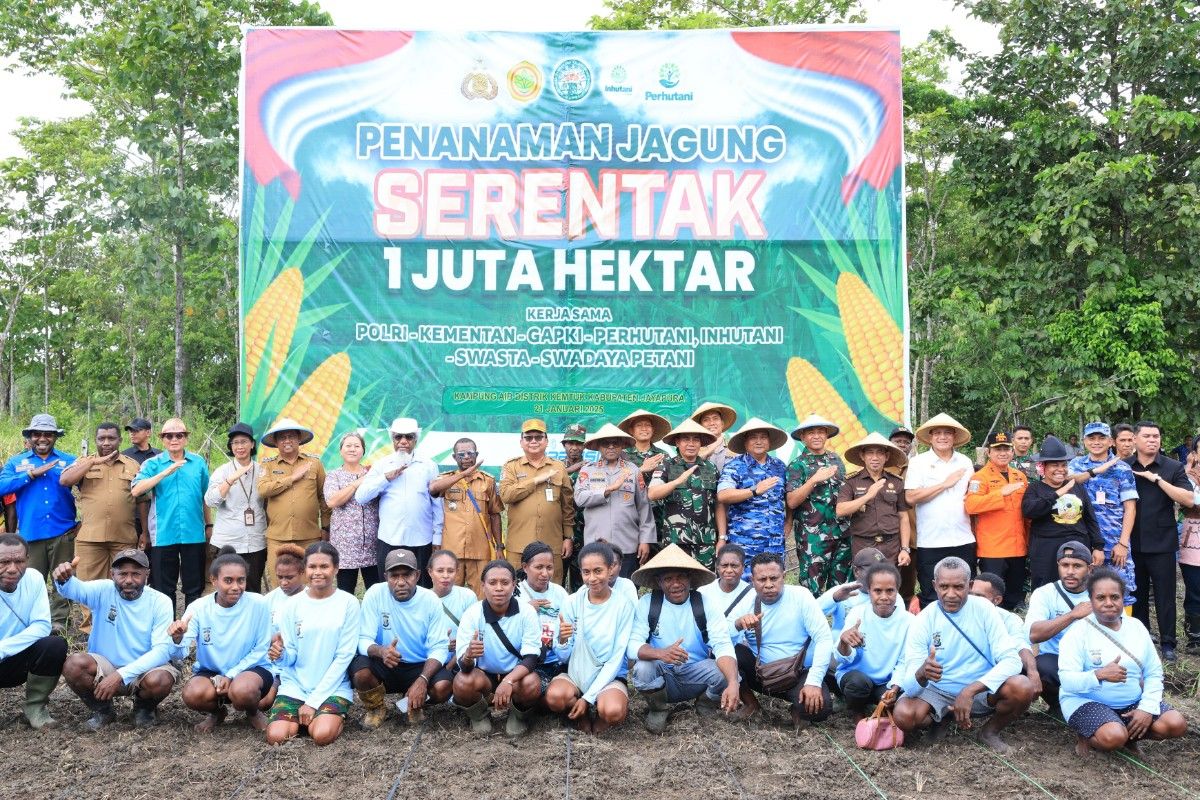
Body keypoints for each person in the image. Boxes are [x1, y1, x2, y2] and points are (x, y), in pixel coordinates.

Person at [892, 556, 1033, 753]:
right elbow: (909, 685)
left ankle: (989, 732)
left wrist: (970, 691)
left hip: (981, 691)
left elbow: (1011, 661)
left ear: (970, 584)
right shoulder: (923, 619)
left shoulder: (985, 610)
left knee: (1022, 687)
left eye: (958, 587)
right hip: (938, 691)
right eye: (944, 587)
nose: (951, 594)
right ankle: (940, 718)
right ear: (934, 585)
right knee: (903, 715)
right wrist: (921, 673)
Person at [1058, 567, 1187, 757]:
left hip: (1131, 701)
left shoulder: (1136, 627)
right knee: (1113, 737)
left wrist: (1146, 708)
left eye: (1115, 597)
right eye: (1101, 598)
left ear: (1122, 598)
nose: (1108, 603)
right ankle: (1088, 735)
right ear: (1091, 600)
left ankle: (1128, 734)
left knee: (1175, 724)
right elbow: (1067, 681)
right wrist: (1099, 674)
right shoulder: (1077, 633)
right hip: (1086, 701)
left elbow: (1154, 672)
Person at [53, 549, 178, 729]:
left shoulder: (161, 601)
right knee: (74, 665)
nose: (128, 580)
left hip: (145, 669)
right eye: (122, 574)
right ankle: (102, 710)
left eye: (136, 574)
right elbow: (75, 589)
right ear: (113, 575)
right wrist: (64, 578)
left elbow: (161, 651)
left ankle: (144, 708)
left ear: (147, 575)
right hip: (106, 666)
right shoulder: (103, 590)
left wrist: (121, 675)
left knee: (161, 679)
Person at [626, 544, 740, 731]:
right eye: (668, 579)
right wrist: (661, 653)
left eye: (680, 577)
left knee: (727, 672)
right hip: (663, 674)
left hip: (696, 671)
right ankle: (658, 708)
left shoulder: (705, 604)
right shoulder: (648, 603)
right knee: (643, 667)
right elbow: (632, 645)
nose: (676, 584)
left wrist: (733, 682)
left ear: (689, 578)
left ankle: (705, 703)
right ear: (659, 582)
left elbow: (722, 644)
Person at [169, 546, 274, 732]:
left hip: (252, 670)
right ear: (214, 580)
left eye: (241, 580)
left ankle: (252, 712)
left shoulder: (259, 604)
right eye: (228, 580)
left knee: (243, 691)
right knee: (193, 694)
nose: (236, 587)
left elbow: (261, 648)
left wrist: (231, 675)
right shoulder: (198, 607)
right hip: (212, 672)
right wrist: (177, 639)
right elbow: (181, 650)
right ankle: (217, 713)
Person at [265, 542, 359, 746]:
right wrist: (280, 654)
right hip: (295, 686)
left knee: (322, 735)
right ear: (305, 569)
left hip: (332, 687)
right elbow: (291, 655)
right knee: (276, 736)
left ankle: (325, 717)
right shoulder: (291, 606)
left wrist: (313, 702)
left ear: (336, 569)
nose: (318, 572)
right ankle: (307, 717)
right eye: (312, 567)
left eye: (324, 567)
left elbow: (345, 655)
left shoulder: (348, 603)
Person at [350, 549, 452, 729]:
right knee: (360, 672)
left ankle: (411, 702)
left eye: (407, 575)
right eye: (394, 576)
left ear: (418, 575)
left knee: (443, 686)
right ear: (385, 576)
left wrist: (422, 680)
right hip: (385, 663)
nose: (401, 582)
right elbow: (363, 638)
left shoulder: (430, 600)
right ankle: (376, 708)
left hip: (418, 666)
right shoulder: (375, 593)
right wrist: (381, 651)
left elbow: (439, 647)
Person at [731, 551, 833, 729]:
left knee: (820, 708)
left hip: (798, 673)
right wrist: (738, 625)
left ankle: (797, 707)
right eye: (762, 580)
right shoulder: (745, 602)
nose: (769, 585)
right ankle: (751, 703)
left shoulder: (801, 597)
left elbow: (824, 638)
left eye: (774, 578)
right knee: (729, 653)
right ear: (752, 580)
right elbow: (721, 638)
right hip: (762, 674)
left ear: (784, 576)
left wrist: (814, 682)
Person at [59, 422, 143, 632]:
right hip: (90, 537)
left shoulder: (132, 465)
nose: (106, 443)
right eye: (101, 439)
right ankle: (92, 630)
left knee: (124, 582)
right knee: (88, 585)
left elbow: (143, 500)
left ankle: (118, 627)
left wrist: (146, 534)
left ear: (119, 441)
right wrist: (91, 462)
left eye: (111, 438)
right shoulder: (83, 462)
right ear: (96, 440)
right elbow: (65, 480)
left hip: (124, 536)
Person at [1124, 420, 1195, 662]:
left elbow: (1188, 498)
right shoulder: (1124, 467)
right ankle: (1141, 640)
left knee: (1166, 595)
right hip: (1131, 542)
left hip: (1162, 541)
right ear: (1134, 440)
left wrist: (1157, 480)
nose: (1153, 440)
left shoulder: (1172, 467)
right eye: (1147, 436)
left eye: (1156, 436)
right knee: (1137, 595)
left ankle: (1168, 643)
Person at [547, 542, 636, 734]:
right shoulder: (572, 602)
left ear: (611, 568)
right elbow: (563, 657)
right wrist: (562, 640)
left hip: (609, 675)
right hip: (576, 672)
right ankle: (581, 714)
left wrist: (588, 698)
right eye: (586, 572)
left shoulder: (623, 605)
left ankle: (597, 711)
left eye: (598, 571)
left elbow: (616, 657)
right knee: (554, 697)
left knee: (612, 711)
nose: (592, 578)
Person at [0, 414, 77, 632]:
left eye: (48, 434)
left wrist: (84, 522)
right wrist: (31, 474)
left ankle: (59, 623)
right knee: (30, 580)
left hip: (62, 530)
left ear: (55, 437)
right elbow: (2, 486)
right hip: (30, 534)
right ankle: (31, 621)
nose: (42, 438)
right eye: (37, 434)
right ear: (30, 437)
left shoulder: (69, 460)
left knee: (63, 578)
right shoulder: (17, 463)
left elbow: (88, 491)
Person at [452, 560, 544, 737]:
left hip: (516, 676)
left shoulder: (527, 612)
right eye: (492, 583)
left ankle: (518, 715)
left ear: (514, 585)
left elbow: (531, 657)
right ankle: (479, 716)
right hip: (484, 676)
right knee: (462, 682)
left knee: (532, 683)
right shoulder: (472, 614)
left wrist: (508, 681)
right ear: (483, 586)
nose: (499, 588)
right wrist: (469, 656)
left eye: (505, 582)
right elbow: (465, 667)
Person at [131, 417, 210, 612]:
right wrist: (165, 472)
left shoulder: (198, 463)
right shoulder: (153, 464)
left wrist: (209, 525)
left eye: (179, 435)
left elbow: (205, 497)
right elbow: (136, 490)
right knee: (164, 587)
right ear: (162, 439)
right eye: (169, 436)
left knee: (194, 585)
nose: (174, 439)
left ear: (186, 438)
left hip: (193, 532)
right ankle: (167, 628)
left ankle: (191, 627)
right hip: (164, 534)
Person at [904, 413, 975, 608]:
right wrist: (944, 484)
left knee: (964, 591)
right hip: (931, 540)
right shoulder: (919, 462)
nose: (942, 437)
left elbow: (973, 493)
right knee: (931, 593)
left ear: (954, 437)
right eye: (937, 433)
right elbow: (910, 497)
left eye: (947, 433)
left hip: (963, 538)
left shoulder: (965, 462)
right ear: (931, 437)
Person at [0, 533, 67, 728]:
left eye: (19, 561)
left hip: (15, 660)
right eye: (4, 562)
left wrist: (3, 648)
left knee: (54, 645)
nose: (12, 569)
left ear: (28, 560)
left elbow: (41, 626)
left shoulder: (34, 579)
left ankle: (35, 707)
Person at [1067, 421, 1138, 608]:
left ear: (1111, 442)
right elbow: (1067, 482)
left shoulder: (1122, 469)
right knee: (1083, 588)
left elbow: (1130, 508)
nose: (1096, 442)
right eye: (1091, 438)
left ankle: (1121, 633)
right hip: (1084, 539)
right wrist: (1095, 471)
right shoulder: (1076, 465)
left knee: (1122, 588)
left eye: (1101, 438)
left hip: (1115, 541)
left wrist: (1123, 543)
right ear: (1084, 441)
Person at [1020, 436, 1103, 589]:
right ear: (1043, 467)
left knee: (1078, 588)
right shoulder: (1035, 488)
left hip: (1078, 545)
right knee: (1046, 588)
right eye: (1055, 465)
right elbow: (1029, 511)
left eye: (1064, 465)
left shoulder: (1076, 486)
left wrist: (1098, 547)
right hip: (1046, 549)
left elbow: (1090, 518)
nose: (1060, 469)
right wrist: (1058, 493)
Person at [575, 423, 656, 577]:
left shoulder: (632, 470)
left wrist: (645, 540)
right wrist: (608, 489)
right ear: (599, 446)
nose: (611, 447)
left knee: (626, 588)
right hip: (595, 545)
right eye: (606, 443)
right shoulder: (588, 470)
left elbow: (644, 508)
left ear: (622, 446)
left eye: (615, 443)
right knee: (598, 587)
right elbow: (579, 498)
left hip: (627, 545)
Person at [259, 419, 331, 590]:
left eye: (291, 436)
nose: (287, 440)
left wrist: (326, 528)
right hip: (278, 537)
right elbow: (263, 490)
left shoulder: (314, 464)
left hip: (309, 536)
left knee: (310, 583)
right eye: (282, 437)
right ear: (276, 442)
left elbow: (324, 497)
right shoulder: (268, 465)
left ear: (299, 439)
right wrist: (292, 478)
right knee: (280, 584)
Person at [499, 419, 574, 584]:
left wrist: (568, 537)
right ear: (521, 442)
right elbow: (506, 495)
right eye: (529, 437)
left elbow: (567, 506)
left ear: (546, 441)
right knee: (517, 591)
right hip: (519, 547)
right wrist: (535, 480)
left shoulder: (558, 467)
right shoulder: (511, 467)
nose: (534, 441)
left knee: (552, 592)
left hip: (552, 544)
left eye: (539, 437)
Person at [835, 561, 911, 719]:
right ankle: (857, 711)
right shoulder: (858, 614)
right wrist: (844, 642)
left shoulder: (909, 622)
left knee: (905, 696)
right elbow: (842, 658)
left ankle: (881, 706)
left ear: (897, 591)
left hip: (887, 682)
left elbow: (905, 661)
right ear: (868, 591)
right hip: (858, 677)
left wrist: (895, 688)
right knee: (857, 684)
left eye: (890, 591)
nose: (884, 597)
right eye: (878, 591)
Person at [429, 437, 504, 596]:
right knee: (449, 596)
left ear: (476, 455)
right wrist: (462, 475)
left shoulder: (488, 481)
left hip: (480, 550)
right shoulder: (446, 479)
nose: (467, 457)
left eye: (470, 453)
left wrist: (499, 547)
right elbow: (433, 490)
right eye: (461, 454)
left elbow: (495, 515)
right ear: (454, 457)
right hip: (451, 551)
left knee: (482, 597)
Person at [1023, 541, 1093, 711]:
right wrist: (1072, 615)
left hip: (1094, 661)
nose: (1070, 571)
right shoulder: (1045, 593)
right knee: (1039, 666)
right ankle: (1059, 707)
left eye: (1077, 566)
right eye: (1065, 565)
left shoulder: (1101, 593)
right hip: (1057, 661)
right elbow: (1033, 634)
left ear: (1090, 569)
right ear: (1058, 566)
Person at [963, 430, 1029, 610]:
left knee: (1014, 593)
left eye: (1006, 449)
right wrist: (1000, 493)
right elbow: (971, 505)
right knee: (991, 595)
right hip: (993, 548)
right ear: (988, 452)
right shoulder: (980, 477)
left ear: (1012, 451)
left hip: (1018, 546)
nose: (1002, 453)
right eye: (997, 449)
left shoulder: (1019, 476)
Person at [716, 417, 789, 580]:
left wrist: (788, 521)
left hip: (774, 542)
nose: (759, 441)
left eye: (763, 437)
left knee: (773, 586)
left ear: (769, 441)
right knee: (744, 587)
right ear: (745, 442)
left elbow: (789, 497)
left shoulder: (780, 466)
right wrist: (754, 490)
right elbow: (723, 495)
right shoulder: (734, 466)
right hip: (745, 542)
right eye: (753, 437)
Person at [786, 414, 850, 594]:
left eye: (821, 431)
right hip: (813, 537)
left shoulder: (836, 460)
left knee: (841, 587)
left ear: (827, 435)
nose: (816, 436)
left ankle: (840, 622)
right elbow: (791, 501)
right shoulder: (797, 465)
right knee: (811, 588)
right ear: (803, 437)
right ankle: (811, 622)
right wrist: (814, 479)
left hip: (842, 533)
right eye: (811, 432)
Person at [204, 423, 268, 594]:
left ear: (252, 444)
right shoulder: (222, 471)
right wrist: (230, 480)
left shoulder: (262, 471)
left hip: (256, 541)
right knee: (227, 590)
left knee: (253, 587)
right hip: (228, 541)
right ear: (231, 447)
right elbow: (211, 501)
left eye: (244, 442)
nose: (240, 447)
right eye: (235, 443)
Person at [649, 418, 721, 569]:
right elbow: (652, 494)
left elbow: (719, 503)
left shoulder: (711, 468)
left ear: (701, 443)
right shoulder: (666, 466)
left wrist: (721, 536)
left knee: (706, 585)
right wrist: (676, 482)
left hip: (706, 541)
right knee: (676, 583)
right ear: (677, 442)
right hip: (676, 540)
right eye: (686, 439)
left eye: (696, 439)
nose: (691, 443)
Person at [836, 432, 912, 568]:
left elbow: (903, 517)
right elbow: (841, 510)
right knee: (865, 586)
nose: (875, 458)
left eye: (880, 453)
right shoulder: (851, 481)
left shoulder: (896, 481)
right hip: (863, 545)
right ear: (862, 456)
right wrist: (867, 496)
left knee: (890, 586)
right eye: (870, 453)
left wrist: (905, 549)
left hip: (891, 546)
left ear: (886, 456)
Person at [324, 432, 381, 594]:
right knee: (345, 591)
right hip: (345, 546)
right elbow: (332, 501)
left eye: (357, 446)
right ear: (341, 451)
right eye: (348, 446)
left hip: (372, 544)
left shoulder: (373, 474)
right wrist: (357, 483)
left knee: (375, 591)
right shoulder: (334, 475)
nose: (352, 449)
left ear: (363, 450)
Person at [967, 573, 1038, 694]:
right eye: (970, 594)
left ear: (997, 600)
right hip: (962, 674)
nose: (972, 600)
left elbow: (1021, 646)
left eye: (979, 596)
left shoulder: (1009, 619)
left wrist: (1033, 672)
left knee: (1023, 675)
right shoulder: (955, 614)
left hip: (995, 675)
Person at [515, 542, 569, 694]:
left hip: (558, 657)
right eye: (539, 567)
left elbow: (569, 625)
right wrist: (526, 609)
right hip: (527, 660)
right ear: (525, 567)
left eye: (549, 567)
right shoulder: (515, 594)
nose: (545, 573)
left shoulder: (559, 593)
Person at [618, 408, 671, 543]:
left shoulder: (663, 455)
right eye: (639, 425)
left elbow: (671, 483)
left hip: (659, 515)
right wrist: (641, 469)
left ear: (653, 430)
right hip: (631, 512)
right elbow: (616, 482)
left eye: (647, 425)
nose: (644, 429)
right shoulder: (622, 455)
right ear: (631, 430)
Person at [428, 549, 478, 667]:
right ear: (430, 572)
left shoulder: (467, 596)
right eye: (440, 571)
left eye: (450, 571)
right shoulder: (422, 599)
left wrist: (449, 667)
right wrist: (440, 645)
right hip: (430, 658)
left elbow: (475, 635)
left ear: (457, 572)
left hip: (462, 658)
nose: (445, 576)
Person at [561, 423, 588, 591]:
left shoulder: (591, 468)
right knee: (556, 579)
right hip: (560, 532)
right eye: (570, 443)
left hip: (583, 531)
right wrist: (571, 469)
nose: (574, 448)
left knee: (580, 584)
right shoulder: (554, 467)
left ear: (584, 445)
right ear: (564, 445)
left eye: (578, 443)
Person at [698, 543, 752, 626]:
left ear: (743, 568)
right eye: (724, 565)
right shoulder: (702, 592)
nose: (729, 570)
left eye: (734, 566)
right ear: (717, 567)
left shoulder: (752, 594)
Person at [1180, 436, 1200, 651]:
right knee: (1195, 588)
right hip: (1194, 538)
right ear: (1195, 453)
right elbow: (1193, 501)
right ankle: (1195, 638)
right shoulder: (1188, 476)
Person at [264, 543, 306, 635]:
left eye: (289, 577)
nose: (283, 583)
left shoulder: (311, 599)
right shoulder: (269, 600)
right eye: (280, 577)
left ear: (302, 573)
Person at [692, 401, 737, 473]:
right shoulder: (693, 448)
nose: (712, 423)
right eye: (706, 420)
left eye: (715, 418)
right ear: (701, 426)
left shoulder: (734, 447)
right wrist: (714, 445)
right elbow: (689, 467)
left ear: (722, 423)